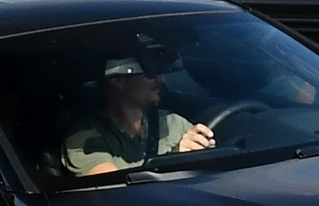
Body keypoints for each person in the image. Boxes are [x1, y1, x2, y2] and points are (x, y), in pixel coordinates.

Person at [59, 55, 217, 176]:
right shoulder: (85, 139)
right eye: (150, 74)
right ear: (119, 80)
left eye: (160, 73)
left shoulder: (173, 123)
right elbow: (113, 192)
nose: (161, 79)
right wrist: (174, 157)